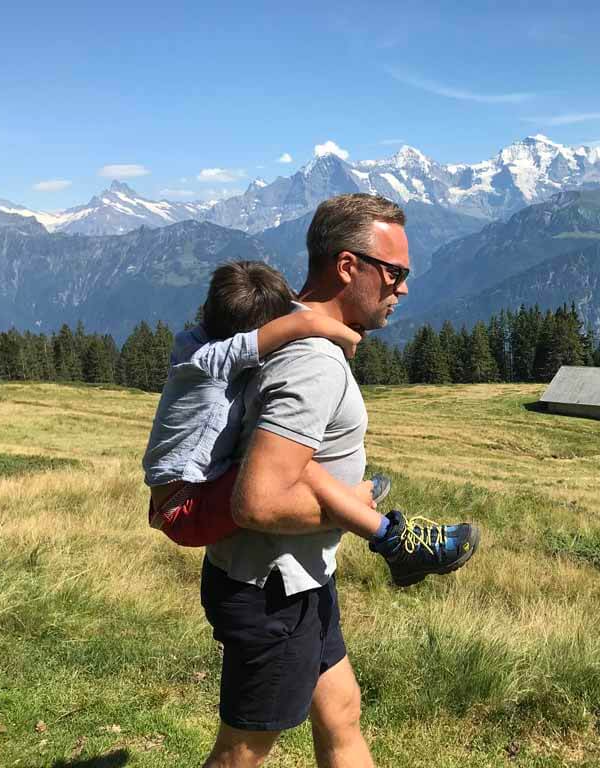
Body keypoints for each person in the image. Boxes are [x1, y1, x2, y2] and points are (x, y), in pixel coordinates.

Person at [201, 194, 480, 768]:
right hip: (272, 589)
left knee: (341, 711)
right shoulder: (312, 361)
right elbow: (257, 502)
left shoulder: (295, 333)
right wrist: (356, 510)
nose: (403, 289)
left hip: (300, 578)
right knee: (241, 754)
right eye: (395, 273)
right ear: (349, 267)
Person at [142, 261, 389, 548]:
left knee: (279, 457)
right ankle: (377, 525)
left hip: (177, 498)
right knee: (287, 464)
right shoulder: (214, 361)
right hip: (185, 508)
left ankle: (353, 504)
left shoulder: (192, 343)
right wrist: (350, 338)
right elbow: (303, 323)